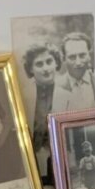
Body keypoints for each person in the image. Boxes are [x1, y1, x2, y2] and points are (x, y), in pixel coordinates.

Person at [22, 43, 64, 178]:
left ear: (56, 63)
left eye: (49, 62)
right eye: (39, 64)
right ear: (30, 69)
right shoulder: (24, 95)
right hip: (34, 159)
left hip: (62, 157)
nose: (46, 68)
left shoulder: (68, 92)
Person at [54, 31, 95, 112]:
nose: (78, 62)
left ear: (89, 56)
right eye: (72, 57)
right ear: (64, 59)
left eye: (82, 55)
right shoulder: (56, 87)